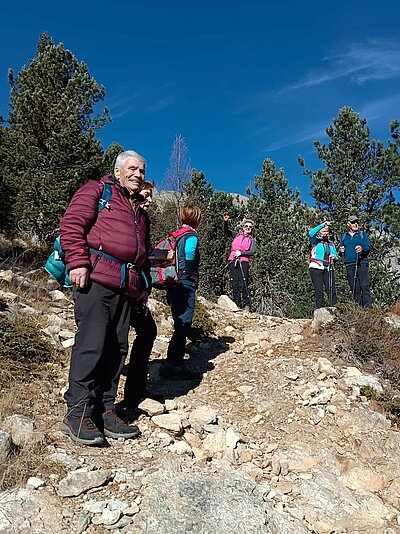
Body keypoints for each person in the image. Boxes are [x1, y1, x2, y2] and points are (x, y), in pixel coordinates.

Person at [59, 150, 151, 446]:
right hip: (96, 280)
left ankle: (105, 409)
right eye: (133, 169)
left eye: (142, 170)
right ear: (119, 170)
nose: (139, 174)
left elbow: (141, 254)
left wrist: (143, 288)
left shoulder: (139, 211)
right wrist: (77, 263)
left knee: (117, 348)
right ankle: (77, 412)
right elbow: (71, 225)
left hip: (126, 288)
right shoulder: (97, 191)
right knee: (91, 344)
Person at [160, 204, 202, 381]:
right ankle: (175, 365)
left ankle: (171, 362)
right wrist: (190, 273)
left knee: (179, 321)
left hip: (173, 281)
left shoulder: (177, 234)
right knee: (184, 322)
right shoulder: (191, 235)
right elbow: (190, 254)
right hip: (184, 281)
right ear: (197, 218)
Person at [223, 213, 256, 311]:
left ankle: (247, 305)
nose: (248, 228)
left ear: (252, 229)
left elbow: (253, 251)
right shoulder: (237, 235)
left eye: (250, 227)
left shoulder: (252, 240)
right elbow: (226, 231)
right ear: (243, 227)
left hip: (243, 261)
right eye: (246, 226)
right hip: (232, 260)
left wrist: (241, 253)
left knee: (244, 283)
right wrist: (225, 222)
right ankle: (236, 304)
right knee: (234, 283)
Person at [339, 215, 372, 308]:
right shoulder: (344, 236)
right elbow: (341, 251)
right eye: (353, 222)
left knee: (364, 285)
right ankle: (358, 307)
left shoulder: (362, 235)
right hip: (349, 264)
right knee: (354, 287)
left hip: (362, 263)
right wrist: (340, 251)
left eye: (357, 222)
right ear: (348, 224)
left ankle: (368, 308)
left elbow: (368, 248)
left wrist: (362, 249)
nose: (356, 224)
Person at [308, 221, 338, 309]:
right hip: (316, 266)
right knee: (319, 289)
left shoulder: (331, 244)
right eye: (323, 231)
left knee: (331, 288)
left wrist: (334, 256)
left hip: (328, 267)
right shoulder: (315, 241)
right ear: (320, 232)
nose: (325, 233)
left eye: (327, 231)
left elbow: (335, 256)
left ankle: (334, 308)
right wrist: (322, 225)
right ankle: (319, 309)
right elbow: (310, 233)